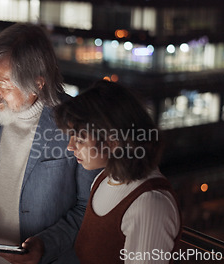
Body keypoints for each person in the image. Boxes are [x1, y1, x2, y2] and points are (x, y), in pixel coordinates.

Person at [0, 23, 100, 264]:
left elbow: (88, 208)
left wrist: (45, 245)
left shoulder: (77, 121)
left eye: (2, 83)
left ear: (37, 83)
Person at [54, 80, 182, 263]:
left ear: (113, 141)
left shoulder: (149, 204)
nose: (70, 146)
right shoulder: (103, 179)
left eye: (80, 139)